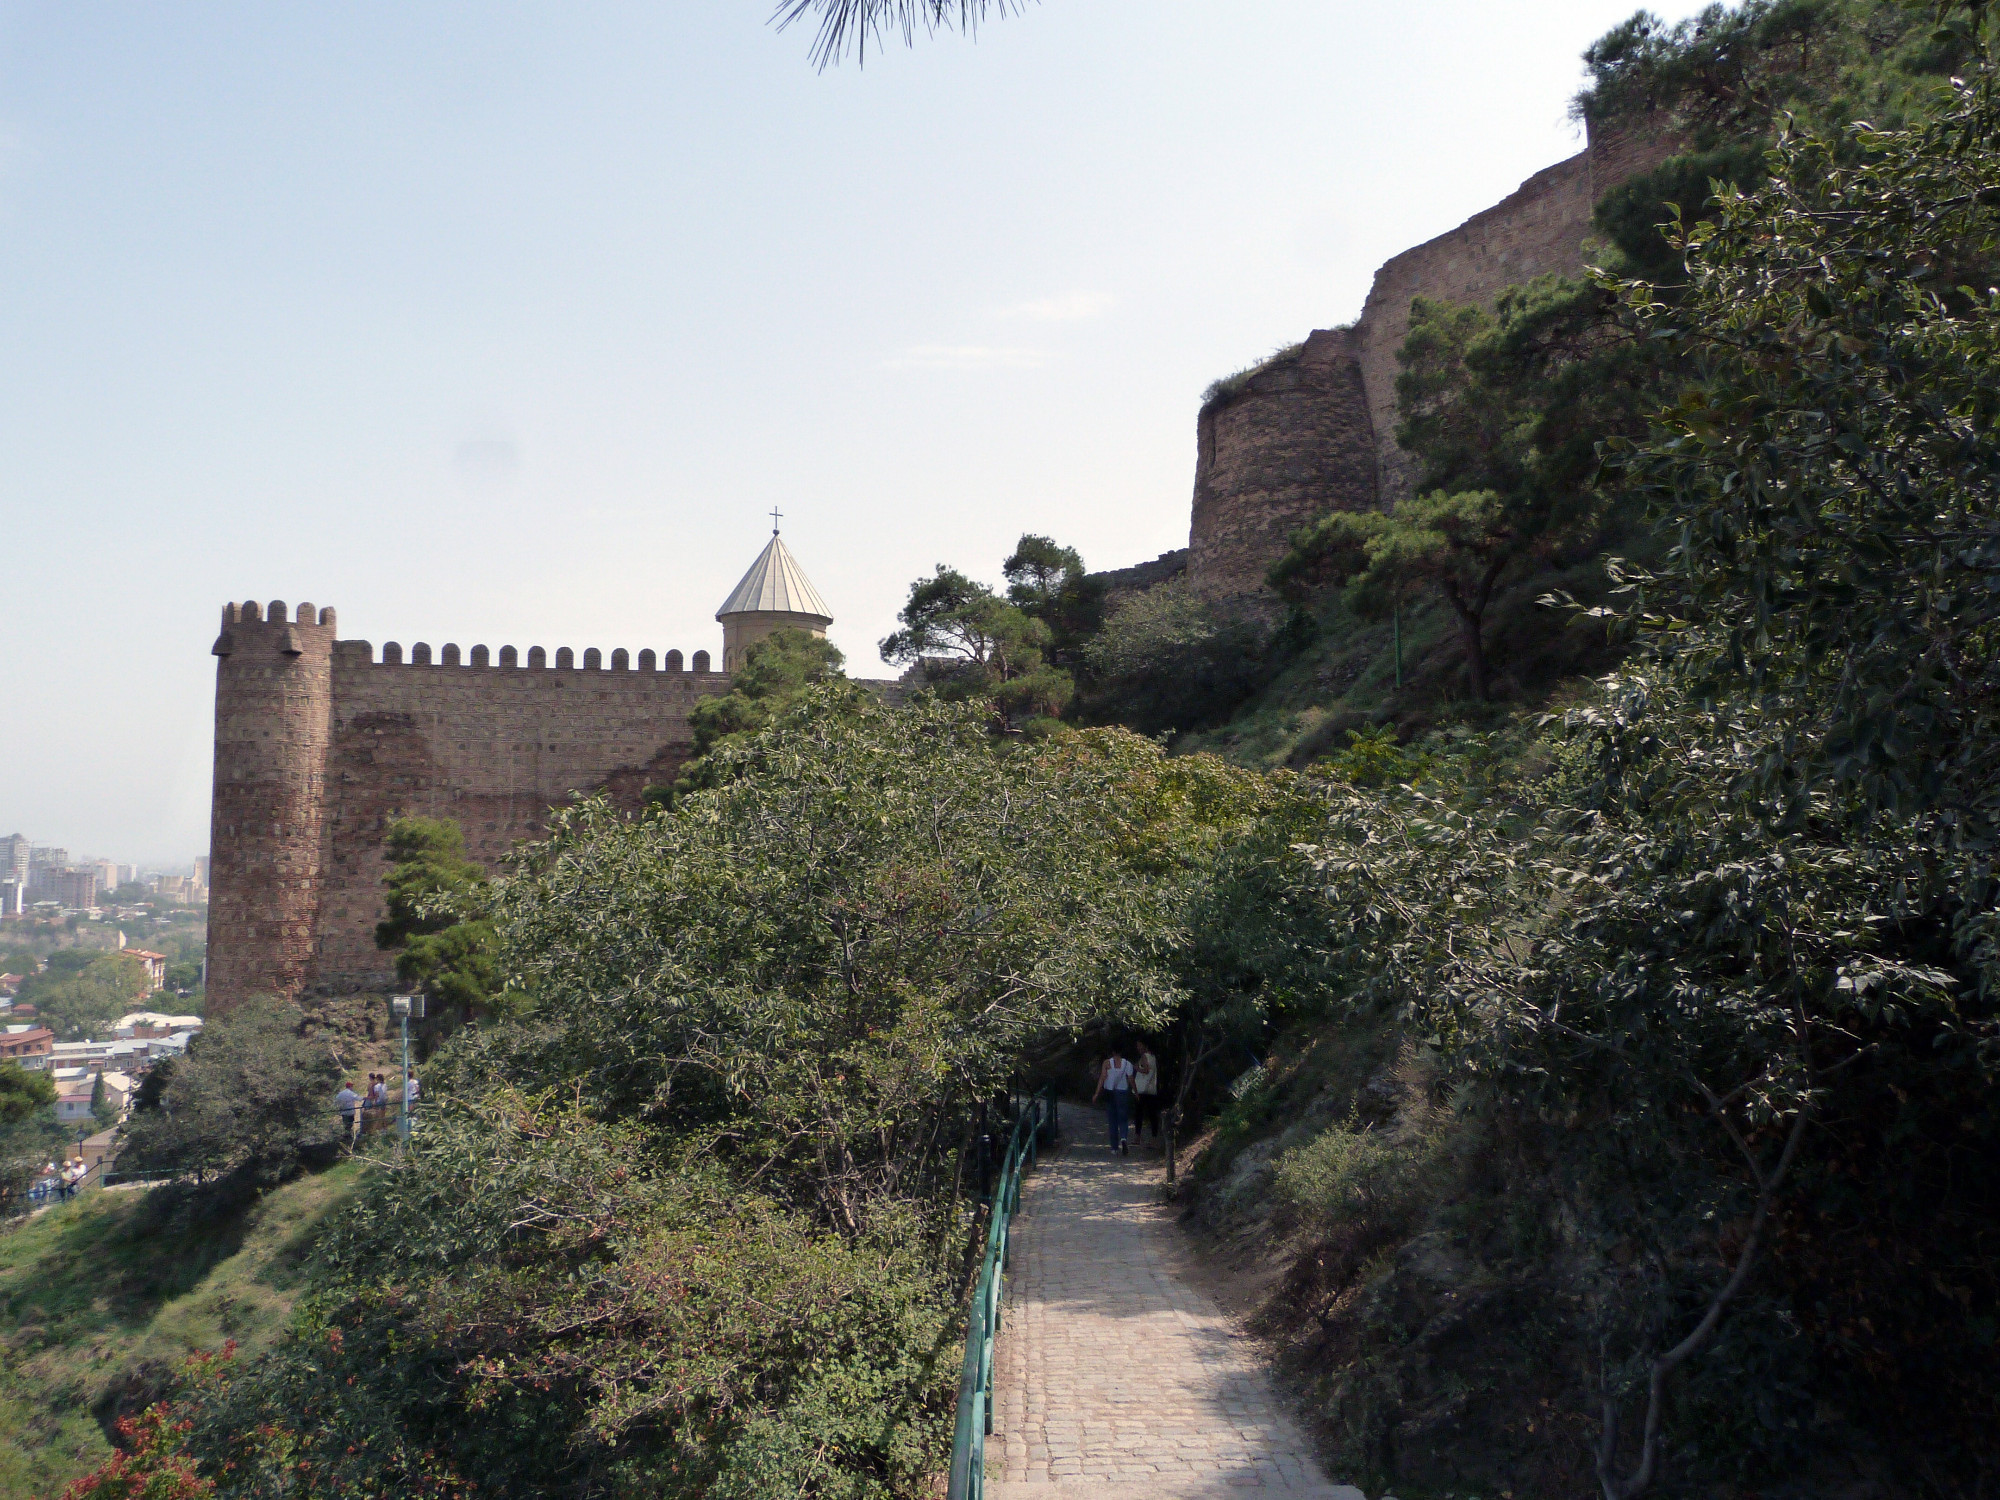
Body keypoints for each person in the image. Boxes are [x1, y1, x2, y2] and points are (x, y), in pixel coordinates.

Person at [1092, 1045, 1135, 1155]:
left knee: (1112, 1121)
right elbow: (1131, 1079)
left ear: (1112, 1052)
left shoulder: (1107, 1063)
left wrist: (1096, 1093)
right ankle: (1124, 1138)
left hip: (1110, 1092)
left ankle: (1114, 1148)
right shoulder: (1127, 1064)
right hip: (1122, 1093)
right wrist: (1136, 1092)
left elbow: (1102, 1078)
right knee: (1123, 1118)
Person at [1132, 1042, 1162, 1147]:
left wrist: (1136, 1068)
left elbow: (1146, 1070)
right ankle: (1154, 1138)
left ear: (1146, 1045)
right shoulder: (1153, 1057)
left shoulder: (1144, 1056)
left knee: (1139, 1113)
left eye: (1140, 1045)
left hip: (1142, 1089)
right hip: (1151, 1089)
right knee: (1152, 1114)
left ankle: (1137, 1137)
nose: (1138, 1047)